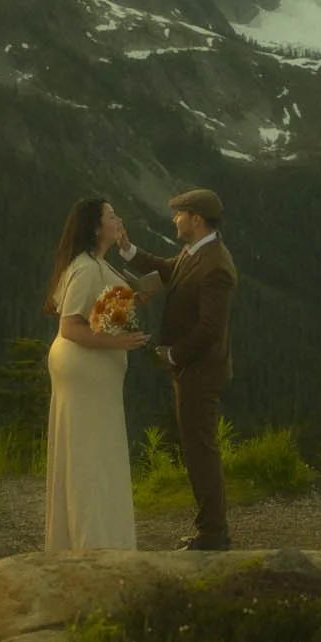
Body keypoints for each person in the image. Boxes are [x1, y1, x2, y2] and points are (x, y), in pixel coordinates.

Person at [116, 188, 237, 552]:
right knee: (198, 447)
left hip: (199, 372)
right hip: (193, 370)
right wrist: (129, 250)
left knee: (200, 451)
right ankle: (211, 529)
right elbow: (170, 270)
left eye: (180, 214)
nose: (174, 219)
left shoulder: (216, 267)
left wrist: (174, 356)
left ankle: (213, 534)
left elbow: (210, 328)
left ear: (196, 220)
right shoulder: (197, 251)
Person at [43, 196, 149, 553]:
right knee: (91, 456)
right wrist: (120, 342)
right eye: (111, 216)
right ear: (95, 227)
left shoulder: (94, 263)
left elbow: (99, 314)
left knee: (92, 453)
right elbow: (71, 326)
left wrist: (130, 299)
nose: (118, 220)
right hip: (84, 372)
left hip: (91, 374)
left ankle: (85, 538)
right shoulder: (87, 268)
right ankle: (93, 543)